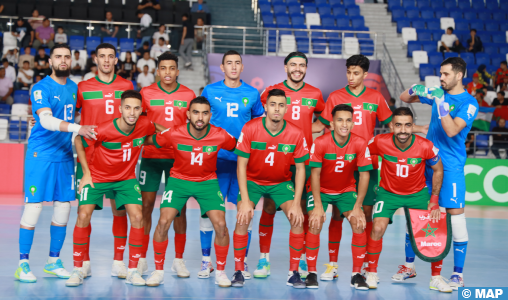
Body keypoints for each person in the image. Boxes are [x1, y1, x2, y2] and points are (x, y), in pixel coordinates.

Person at [15, 44, 95, 284]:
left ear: (71, 61)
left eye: (66, 57)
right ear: (50, 61)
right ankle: (23, 264)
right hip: (41, 156)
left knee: (63, 207)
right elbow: (47, 120)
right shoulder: (40, 88)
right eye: (58, 56)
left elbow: (79, 112)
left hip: (63, 156)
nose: (63, 60)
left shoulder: (74, 88)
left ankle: (53, 262)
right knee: (34, 207)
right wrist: (76, 128)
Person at [400, 57, 479, 290]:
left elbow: (452, 129)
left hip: (451, 167)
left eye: (445, 74)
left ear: (459, 75)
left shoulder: (470, 103)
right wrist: (416, 88)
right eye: (440, 73)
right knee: (414, 215)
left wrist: (441, 102)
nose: (441, 78)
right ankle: (408, 266)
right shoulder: (438, 93)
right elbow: (405, 98)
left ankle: (457, 274)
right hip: (427, 163)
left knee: (456, 219)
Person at [66, 90, 160, 287]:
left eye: (136, 108)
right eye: (127, 108)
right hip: (97, 177)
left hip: (125, 179)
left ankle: (133, 270)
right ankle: (77, 269)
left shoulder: (144, 124)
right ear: (120, 109)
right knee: (83, 215)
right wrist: (86, 173)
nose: (132, 112)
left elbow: (156, 127)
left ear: (141, 110)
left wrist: (171, 133)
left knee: (137, 217)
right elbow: (78, 140)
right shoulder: (103, 129)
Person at [312, 54, 394, 279]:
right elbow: (320, 125)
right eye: (348, 72)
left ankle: (367, 266)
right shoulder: (336, 96)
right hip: (340, 165)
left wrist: (420, 129)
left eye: (356, 73)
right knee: (337, 214)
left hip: (365, 165)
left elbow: (394, 124)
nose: (351, 77)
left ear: (366, 75)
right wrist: (293, 134)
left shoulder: (376, 97)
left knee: (365, 215)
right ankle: (333, 265)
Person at [143, 96, 236, 288]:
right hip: (178, 181)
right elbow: (149, 140)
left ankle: (220, 272)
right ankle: (158, 271)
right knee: (163, 222)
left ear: (210, 115)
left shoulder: (220, 135)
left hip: (207, 182)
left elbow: (241, 146)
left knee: (221, 225)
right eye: (195, 112)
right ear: (188, 115)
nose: (200, 117)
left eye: (204, 113)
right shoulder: (175, 133)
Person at [255, 52, 325, 279]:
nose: (297, 68)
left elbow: (324, 119)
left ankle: (301, 259)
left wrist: (308, 132)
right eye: (293, 64)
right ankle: (264, 259)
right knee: (268, 207)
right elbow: (260, 119)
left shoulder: (315, 93)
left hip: (302, 160)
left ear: (306, 68)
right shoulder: (271, 91)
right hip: (277, 158)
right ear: (285, 67)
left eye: (302, 65)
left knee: (302, 210)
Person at [363, 107, 449, 292]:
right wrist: (368, 186)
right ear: (392, 126)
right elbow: (361, 156)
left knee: (431, 230)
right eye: (399, 125)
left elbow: (439, 170)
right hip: (387, 193)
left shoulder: (425, 145)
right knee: (377, 227)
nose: (403, 130)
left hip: (417, 194)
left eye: (407, 125)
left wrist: (434, 199)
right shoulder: (379, 141)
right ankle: (371, 272)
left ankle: (436, 277)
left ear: (413, 126)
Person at [232, 89, 308, 288]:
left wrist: (298, 203)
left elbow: (301, 169)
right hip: (252, 181)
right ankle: (239, 270)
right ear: (265, 107)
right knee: (243, 216)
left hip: (280, 183)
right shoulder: (250, 128)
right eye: (273, 104)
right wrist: (246, 201)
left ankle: (293, 273)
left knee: (297, 218)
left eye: (281, 105)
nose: (277, 109)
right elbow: (241, 165)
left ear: (286, 108)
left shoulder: (295, 133)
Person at [200, 50, 265, 279]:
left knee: (244, 213)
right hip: (215, 161)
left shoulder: (252, 93)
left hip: (243, 162)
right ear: (222, 67)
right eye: (229, 63)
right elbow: (201, 120)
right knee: (209, 212)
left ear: (242, 67)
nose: (234, 67)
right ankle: (206, 261)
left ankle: (242, 261)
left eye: (238, 63)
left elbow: (259, 124)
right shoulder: (210, 91)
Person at [74, 43, 135, 280]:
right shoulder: (83, 87)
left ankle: (118, 262)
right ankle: (83, 263)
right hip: (91, 160)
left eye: (111, 57)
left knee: (119, 212)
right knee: (84, 212)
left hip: (120, 159)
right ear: (95, 59)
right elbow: (74, 122)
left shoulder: (126, 85)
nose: (107, 61)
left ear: (116, 60)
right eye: (102, 57)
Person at [137, 52, 197, 277]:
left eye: (172, 68)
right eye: (163, 68)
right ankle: (142, 258)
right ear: (157, 71)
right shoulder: (146, 93)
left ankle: (178, 260)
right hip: (151, 157)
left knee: (178, 209)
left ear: (178, 71)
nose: (168, 73)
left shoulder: (188, 94)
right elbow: (140, 123)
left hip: (178, 159)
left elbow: (193, 125)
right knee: (147, 205)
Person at [305, 104, 372, 290]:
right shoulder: (320, 143)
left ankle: (356, 274)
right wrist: (318, 204)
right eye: (340, 120)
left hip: (346, 190)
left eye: (348, 120)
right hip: (321, 190)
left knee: (359, 222)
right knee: (315, 221)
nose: (344, 124)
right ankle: (311, 273)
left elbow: (365, 175)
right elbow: (315, 174)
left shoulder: (360, 143)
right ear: (332, 124)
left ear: (353, 123)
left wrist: (358, 205)